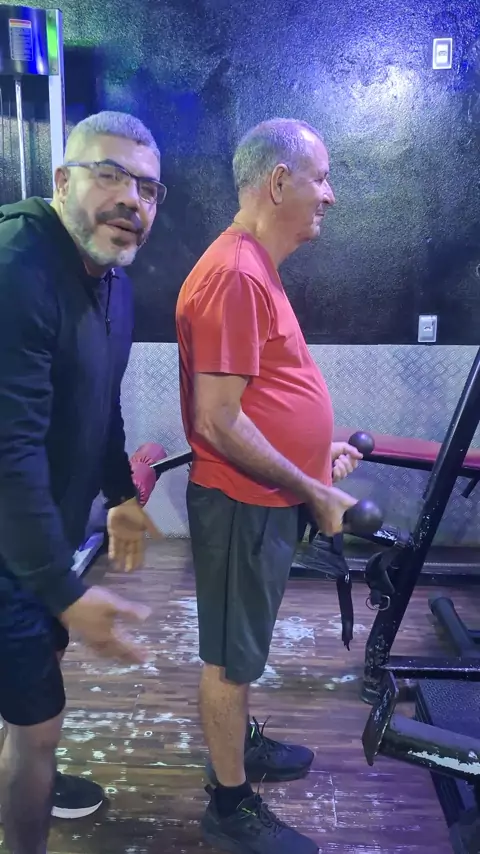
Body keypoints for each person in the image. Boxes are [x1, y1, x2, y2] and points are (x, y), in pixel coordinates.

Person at [176, 118, 363, 853]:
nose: (331, 195)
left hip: (263, 500)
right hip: (240, 506)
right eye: (321, 177)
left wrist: (314, 457)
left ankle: (240, 743)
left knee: (242, 646)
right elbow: (218, 422)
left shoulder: (253, 266)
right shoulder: (234, 273)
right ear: (279, 182)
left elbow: (260, 400)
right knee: (229, 658)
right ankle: (229, 806)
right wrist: (315, 490)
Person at [0, 111, 165, 854]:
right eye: (110, 175)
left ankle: (22, 767)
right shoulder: (18, 268)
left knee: (28, 716)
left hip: (40, 539)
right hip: (10, 544)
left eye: (149, 188)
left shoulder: (111, 280)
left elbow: (101, 397)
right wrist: (64, 593)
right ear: (63, 181)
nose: (132, 198)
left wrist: (121, 494)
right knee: (39, 727)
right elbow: (9, 454)